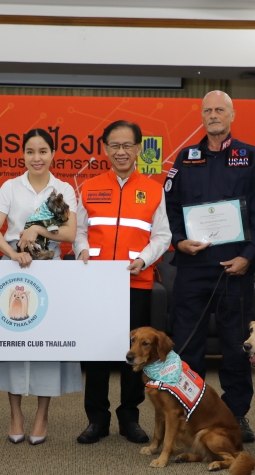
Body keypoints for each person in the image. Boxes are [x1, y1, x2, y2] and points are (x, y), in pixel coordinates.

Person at [164, 90, 255, 443]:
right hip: (193, 267)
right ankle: (191, 411)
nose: (213, 115)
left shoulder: (250, 156)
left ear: (232, 115)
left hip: (234, 268)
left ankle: (236, 414)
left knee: (234, 346)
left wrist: (248, 255)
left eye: (220, 110)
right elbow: (170, 207)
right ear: (202, 116)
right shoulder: (186, 158)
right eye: (207, 110)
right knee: (188, 345)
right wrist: (178, 240)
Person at [0, 129, 82, 445]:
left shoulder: (63, 188)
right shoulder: (11, 187)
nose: (36, 158)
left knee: (46, 343)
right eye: (29, 152)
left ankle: (41, 415)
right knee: (12, 340)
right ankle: (15, 415)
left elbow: (69, 233)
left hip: (50, 269)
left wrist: (38, 228)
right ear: (22, 155)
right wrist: (12, 253)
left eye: (42, 151)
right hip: (12, 269)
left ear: (53, 154)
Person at [74, 120, 171, 444]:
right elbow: (80, 231)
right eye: (114, 145)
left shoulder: (155, 189)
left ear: (139, 149)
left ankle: (130, 417)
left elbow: (162, 235)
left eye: (127, 145)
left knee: (137, 354)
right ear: (104, 149)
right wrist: (82, 250)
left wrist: (144, 258)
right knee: (98, 352)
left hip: (136, 282)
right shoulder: (88, 187)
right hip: (98, 283)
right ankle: (96, 420)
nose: (120, 151)